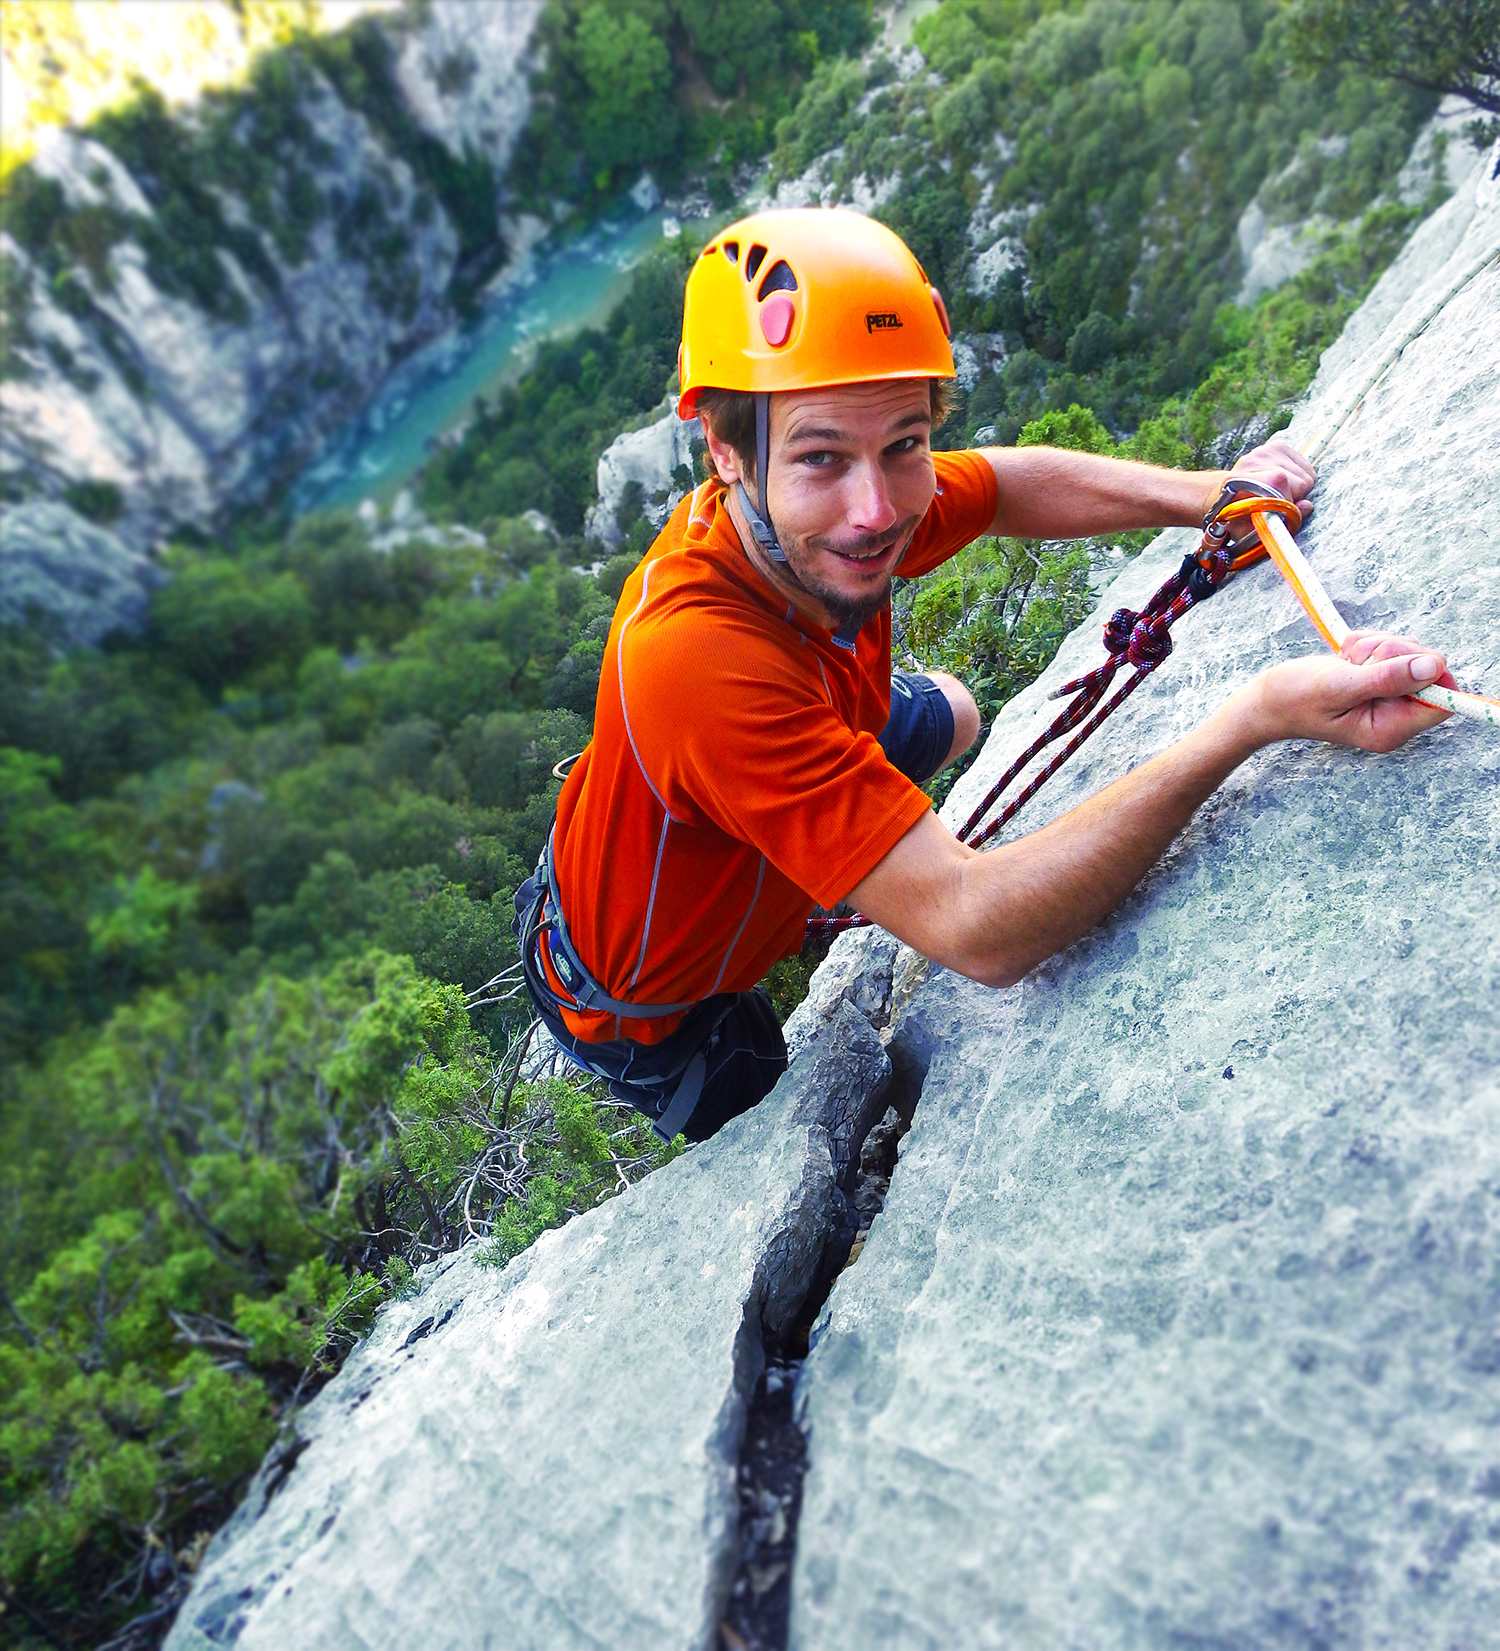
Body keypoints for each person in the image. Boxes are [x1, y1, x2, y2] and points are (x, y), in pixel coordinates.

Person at [514, 208, 1452, 1143]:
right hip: (650, 1005)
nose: (876, 512)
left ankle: (841, 799)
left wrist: (1209, 495)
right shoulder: (696, 659)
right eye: (821, 459)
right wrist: (1251, 718)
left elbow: (1004, 484)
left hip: (764, 749)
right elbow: (979, 928)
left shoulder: (817, 514)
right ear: (726, 453)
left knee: (958, 714)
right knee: (766, 1104)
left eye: (905, 444)